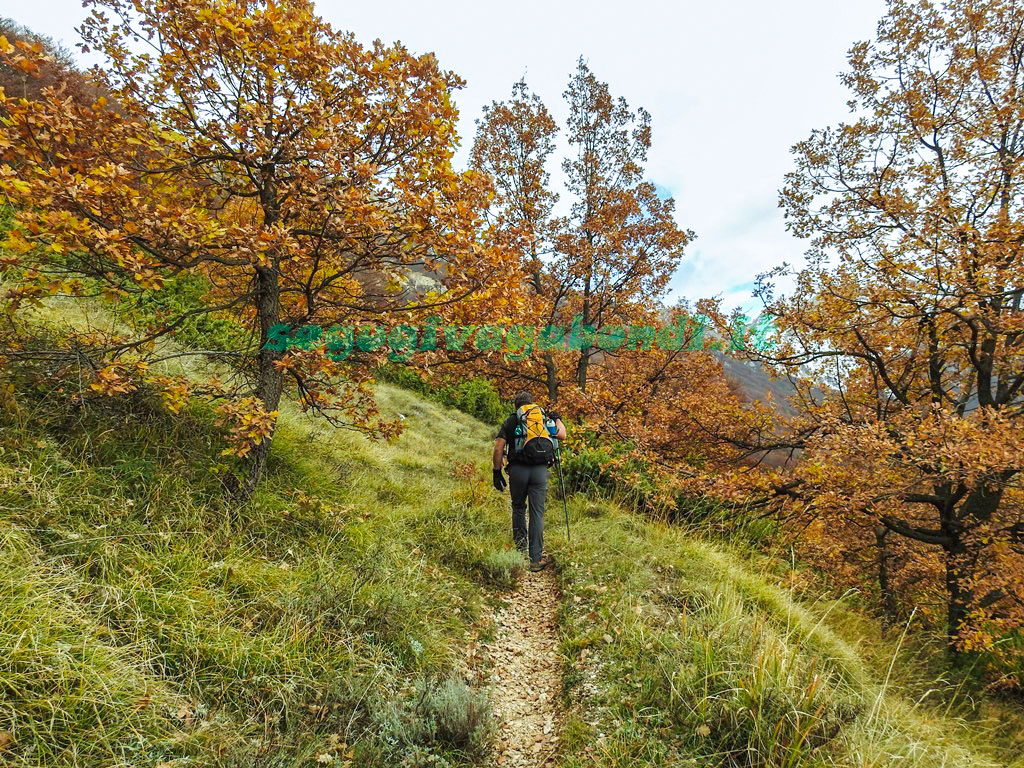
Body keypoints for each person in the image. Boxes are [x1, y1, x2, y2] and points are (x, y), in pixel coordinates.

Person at [492, 391, 567, 572]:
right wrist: (557, 419)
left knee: (518, 507)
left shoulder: (512, 420)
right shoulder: (541, 418)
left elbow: (498, 448)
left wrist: (497, 471)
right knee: (537, 512)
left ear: (516, 406)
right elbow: (562, 435)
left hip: (518, 470)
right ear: (532, 403)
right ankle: (535, 560)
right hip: (540, 471)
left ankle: (520, 553)